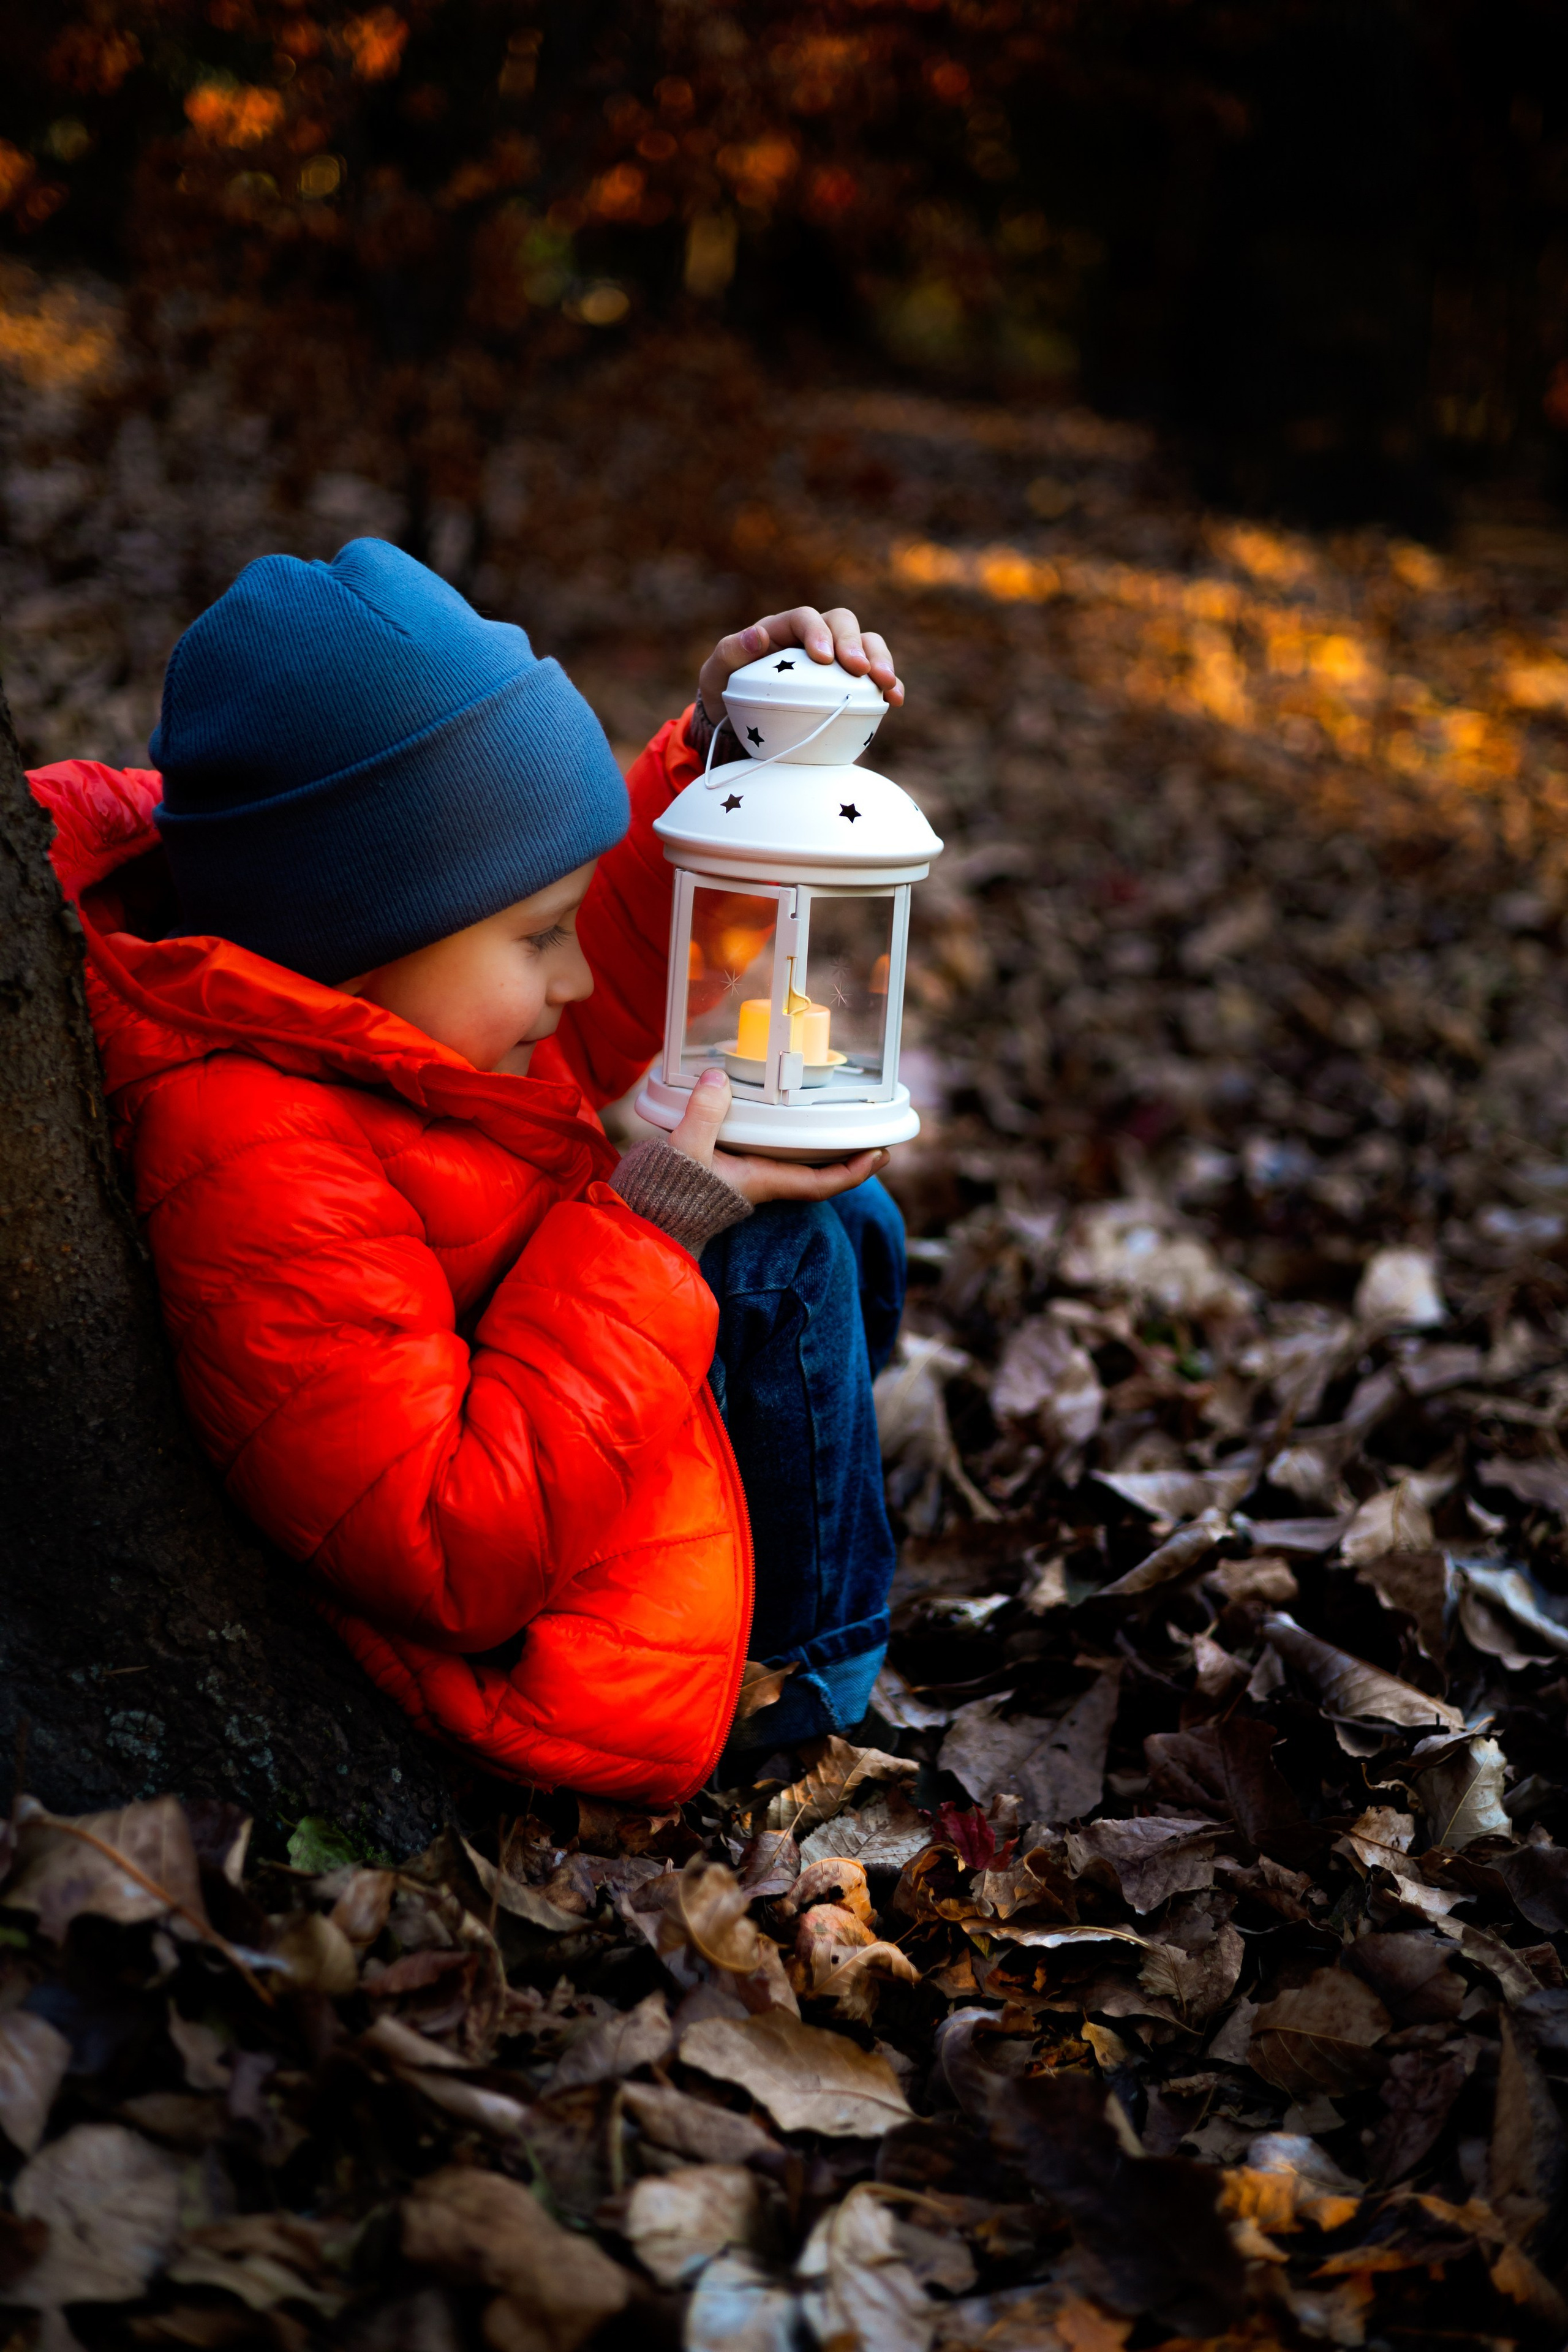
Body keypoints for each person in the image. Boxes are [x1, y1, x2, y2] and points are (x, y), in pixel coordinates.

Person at [29, 539, 908, 1803]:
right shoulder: (258, 1154)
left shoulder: (394, 1014)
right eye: (537, 936)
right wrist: (652, 1233)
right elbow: (443, 1545)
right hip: (554, 1660)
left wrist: (725, 764)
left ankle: (794, 1608)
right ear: (359, 935)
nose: (572, 979)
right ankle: (805, 1692)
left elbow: (589, 991)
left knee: (840, 1201)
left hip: (568, 1448)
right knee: (781, 1254)